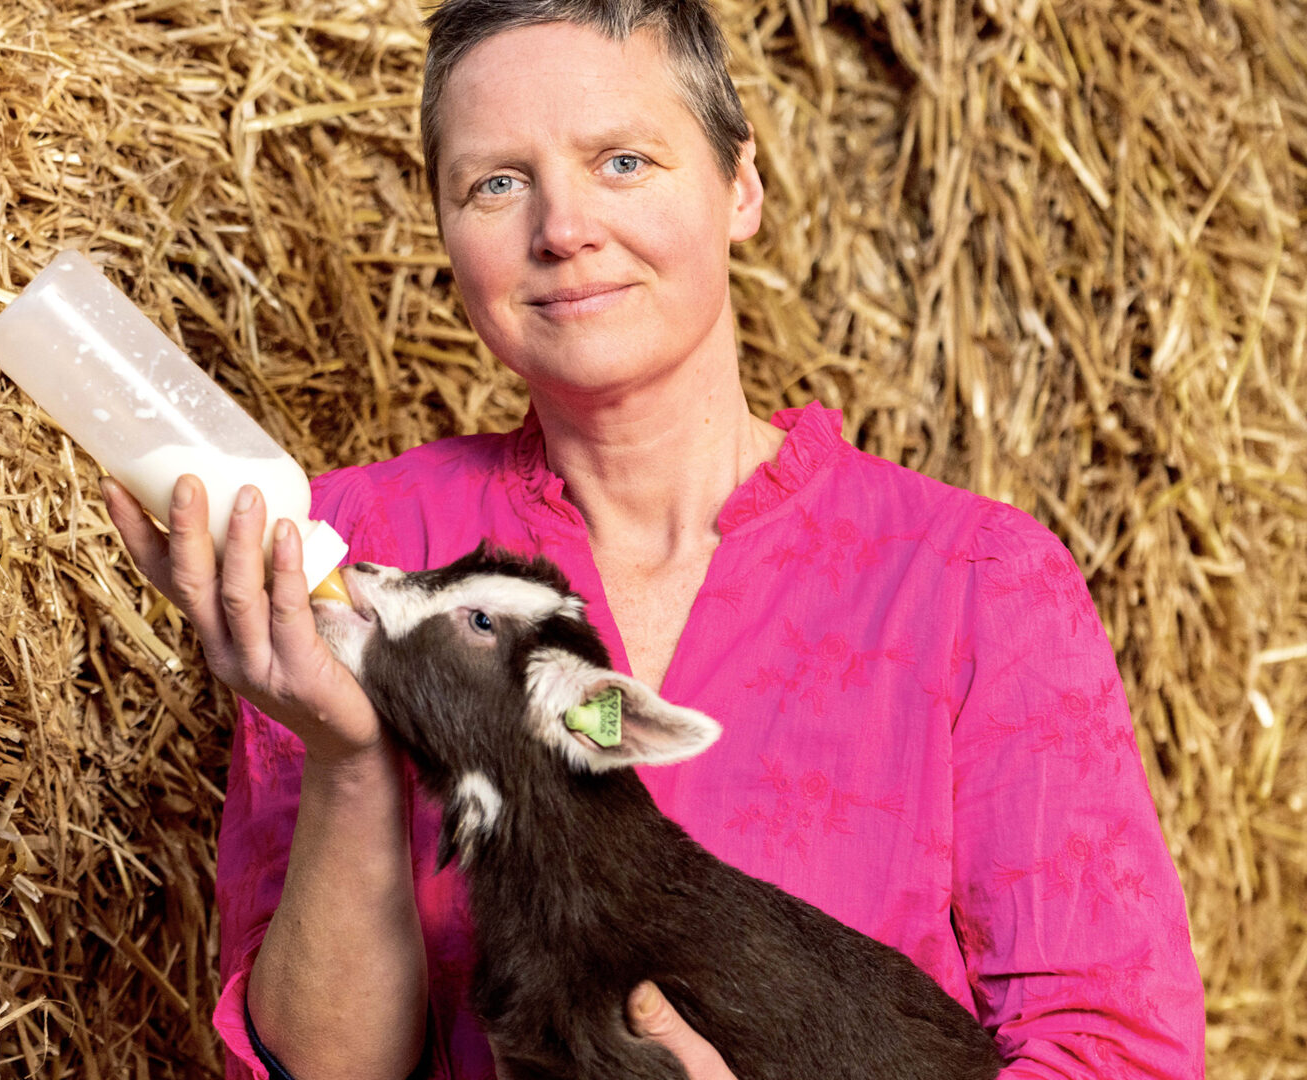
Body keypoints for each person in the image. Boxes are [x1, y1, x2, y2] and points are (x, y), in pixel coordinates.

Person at [104, 0, 1208, 1076]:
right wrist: (352, 758)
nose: (564, 228)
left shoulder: (975, 584)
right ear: (446, 233)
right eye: (497, 183)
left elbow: (1115, 1053)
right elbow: (333, 1068)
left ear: (740, 186)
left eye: (624, 161)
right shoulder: (355, 552)